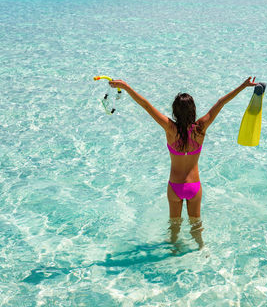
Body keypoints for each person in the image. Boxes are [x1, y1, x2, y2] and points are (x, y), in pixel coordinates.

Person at [109, 77, 258, 248]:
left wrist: (125, 86)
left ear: (175, 112)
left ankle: (173, 251)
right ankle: (202, 248)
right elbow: (221, 102)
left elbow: (145, 105)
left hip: (175, 187)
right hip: (194, 187)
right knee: (196, 226)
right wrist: (244, 86)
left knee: (174, 227)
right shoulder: (201, 127)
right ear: (193, 110)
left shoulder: (170, 129)